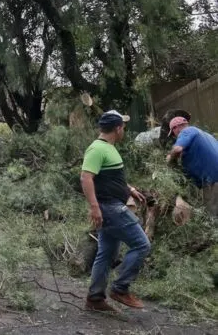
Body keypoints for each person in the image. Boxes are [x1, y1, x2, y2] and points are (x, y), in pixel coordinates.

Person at [81, 110, 150, 312]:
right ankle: (120, 288)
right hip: (110, 208)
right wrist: (95, 208)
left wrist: (130, 189)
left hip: (110, 206)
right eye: (123, 127)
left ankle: (95, 299)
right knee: (141, 244)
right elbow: (86, 178)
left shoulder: (108, 148)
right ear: (118, 128)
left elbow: (110, 177)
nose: (124, 130)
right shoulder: (97, 149)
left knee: (107, 253)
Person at [166, 117, 218, 217]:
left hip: (212, 180)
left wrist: (169, 157)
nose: (174, 136)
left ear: (176, 128)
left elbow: (177, 149)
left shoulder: (186, 131)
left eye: (173, 133)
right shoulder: (206, 135)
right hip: (213, 178)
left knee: (212, 217)